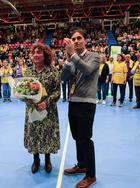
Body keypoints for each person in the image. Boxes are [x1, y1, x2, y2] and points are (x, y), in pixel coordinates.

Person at [61, 28, 100, 188]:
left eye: (79, 38)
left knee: (85, 139)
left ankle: (91, 175)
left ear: (84, 41)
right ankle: (82, 164)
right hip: (73, 101)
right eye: (73, 39)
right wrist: (68, 60)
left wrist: (74, 55)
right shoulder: (73, 59)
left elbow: (87, 70)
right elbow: (63, 78)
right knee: (77, 137)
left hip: (86, 103)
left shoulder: (94, 56)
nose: (76, 41)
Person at [24, 43, 60, 174]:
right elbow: (23, 90)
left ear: (45, 55)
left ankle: (47, 160)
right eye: (34, 52)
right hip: (32, 110)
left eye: (39, 52)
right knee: (34, 134)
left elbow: (57, 92)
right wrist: (26, 98)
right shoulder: (28, 71)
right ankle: (36, 160)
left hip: (48, 110)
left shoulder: (53, 71)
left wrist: (46, 102)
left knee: (47, 134)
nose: (35, 55)